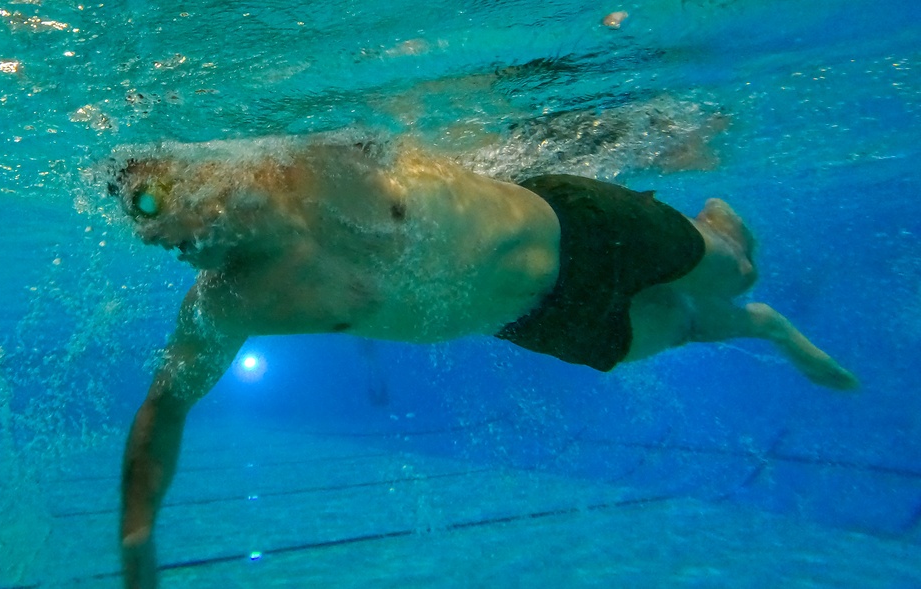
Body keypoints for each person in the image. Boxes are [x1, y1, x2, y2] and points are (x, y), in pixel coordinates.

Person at [109, 138, 858, 589]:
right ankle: (767, 329)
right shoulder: (227, 302)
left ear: (203, 173)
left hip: (579, 225)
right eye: (130, 219)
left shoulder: (308, 174)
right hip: (531, 318)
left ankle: (715, 224)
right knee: (674, 330)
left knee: (732, 269)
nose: (153, 235)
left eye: (149, 201)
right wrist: (138, 530)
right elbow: (164, 405)